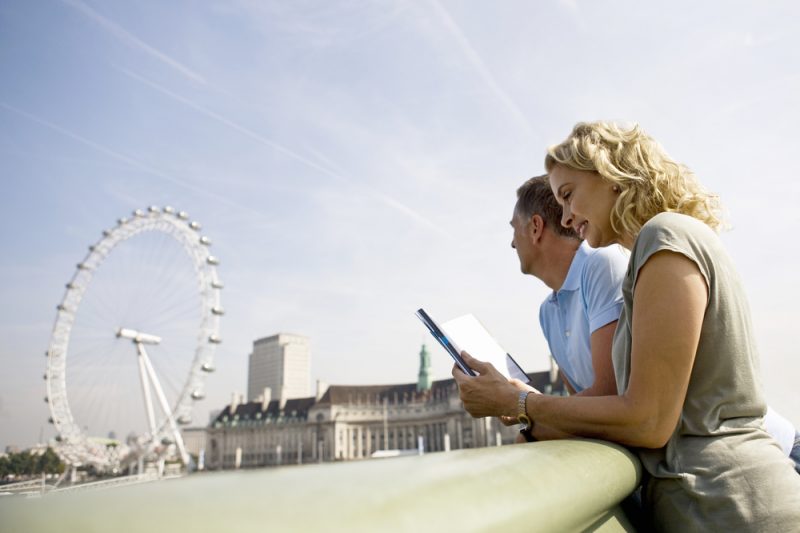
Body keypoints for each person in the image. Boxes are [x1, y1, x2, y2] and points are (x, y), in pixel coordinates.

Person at [454, 122, 800, 530]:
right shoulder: (652, 251)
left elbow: (648, 420)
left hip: (733, 507)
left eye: (569, 195)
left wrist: (519, 403)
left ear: (611, 177)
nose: (566, 216)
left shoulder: (664, 236)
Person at [511, 176, 800, 463]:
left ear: (536, 227)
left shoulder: (603, 263)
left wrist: (523, 406)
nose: (512, 243)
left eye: (514, 228)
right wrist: (529, 413)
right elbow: (584, 413)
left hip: (769, 455)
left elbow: (611, 393)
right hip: (698, 462)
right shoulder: (547, 313)